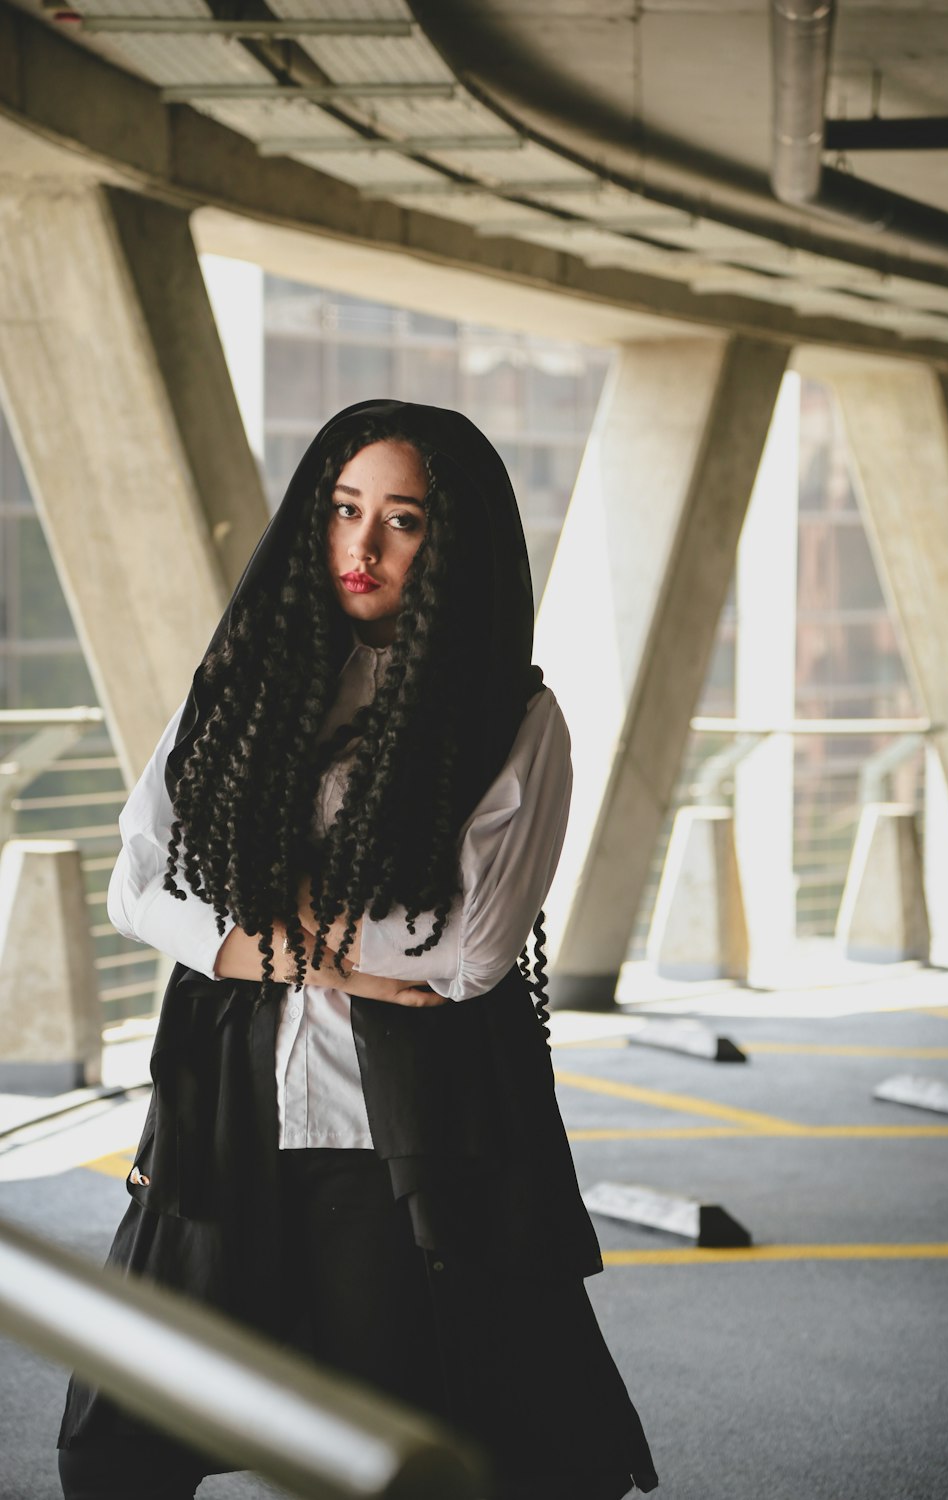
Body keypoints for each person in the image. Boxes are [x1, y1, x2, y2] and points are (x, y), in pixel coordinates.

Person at [56, 399, 659, 1500]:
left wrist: (250, 923)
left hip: (385, 1148)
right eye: (343, 510)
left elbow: (470, 950)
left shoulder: (512, 719)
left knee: (391, 1456)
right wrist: (326, 957)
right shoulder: (244, 681)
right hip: (220, 1118)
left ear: (450, 541)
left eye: (404, 521)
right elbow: (138, 883)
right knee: (115, 1444)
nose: (363, 547)